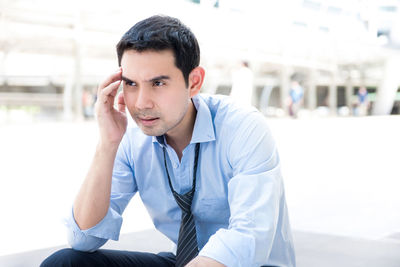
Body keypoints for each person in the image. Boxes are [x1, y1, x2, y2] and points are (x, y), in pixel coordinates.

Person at [41, 15, 295, 267]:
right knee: (65, 263)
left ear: (193, 82)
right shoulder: (132, 140)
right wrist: (107, 144)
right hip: (185, 261)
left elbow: (249, 236)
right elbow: (83, 239)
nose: (141, 103)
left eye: (158, 83)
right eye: (131, 83)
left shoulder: (243, 128)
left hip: (249, 265)